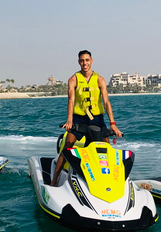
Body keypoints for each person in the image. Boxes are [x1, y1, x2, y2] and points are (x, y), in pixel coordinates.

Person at [50, 50, 122, 187]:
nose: (85, 63)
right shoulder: (73, 79)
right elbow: (71, 100)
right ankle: (53, 182)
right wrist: (69, 120)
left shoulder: (100, 79)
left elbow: (106, 102)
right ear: (79, 62)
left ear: (91, 61)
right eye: (82, 60)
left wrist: (112, 124)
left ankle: (110, 182)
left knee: (105, 148)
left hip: (97, 119)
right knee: (68, 146)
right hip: (78, 118)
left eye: (87, 60)